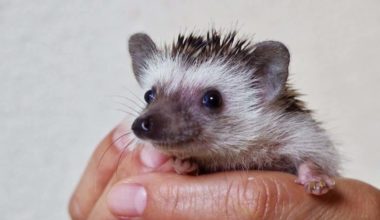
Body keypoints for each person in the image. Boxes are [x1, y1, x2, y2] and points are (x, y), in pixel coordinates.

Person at [69, 121, 380, 219]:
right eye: (152, 96)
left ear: (263, 89)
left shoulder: (286, 134)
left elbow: (315, 151)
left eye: (210, 100)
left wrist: (309, 170)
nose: (154, 116)